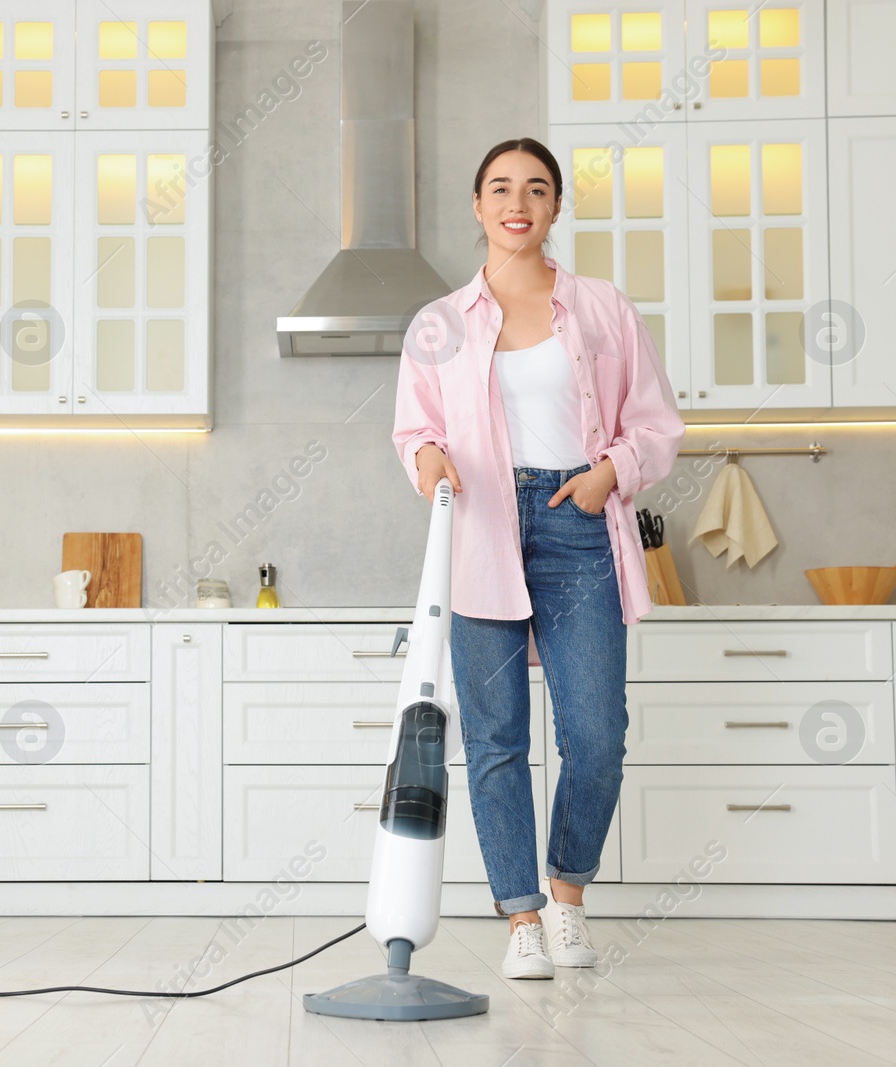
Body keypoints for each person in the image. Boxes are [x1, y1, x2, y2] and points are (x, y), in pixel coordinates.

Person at [391, 137, 684, 980]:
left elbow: (656, 424)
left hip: (576, 521)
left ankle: (567, 895)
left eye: (537, 187)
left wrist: (607, 477)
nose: (517, 201)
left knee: (597, 735)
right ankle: (520, 915)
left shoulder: (600, 308)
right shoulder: (440, 324)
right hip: (482, 526)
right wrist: (427, 463)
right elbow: (415, 429)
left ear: (555, 207)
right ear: (477, 205)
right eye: (500, 187)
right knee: (495, 739)